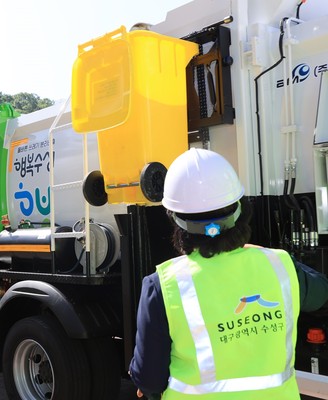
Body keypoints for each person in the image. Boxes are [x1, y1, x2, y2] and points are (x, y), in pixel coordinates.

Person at [129, 148, 328, 399]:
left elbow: (149, 380)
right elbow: (321, 292)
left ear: (175, 220)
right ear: (241, 210)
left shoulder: (163, 286)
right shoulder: (279, 265)